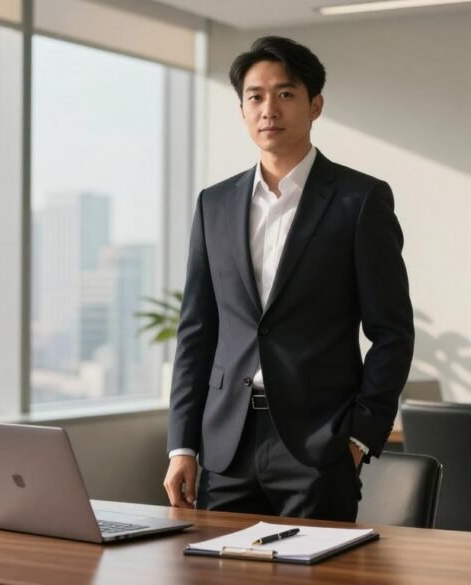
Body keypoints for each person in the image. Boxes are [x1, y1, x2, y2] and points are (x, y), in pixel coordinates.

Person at [163, 36, 414, 522]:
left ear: (315, 105)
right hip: (226, 445)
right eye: (255, 96)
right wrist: (182, 446)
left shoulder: (359, 201)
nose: (268, 109)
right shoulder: (213, 205)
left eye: (285, 94)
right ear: (241, 110)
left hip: (318, 446)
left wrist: (360, 437)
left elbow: (392, 333)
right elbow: (197, 331)